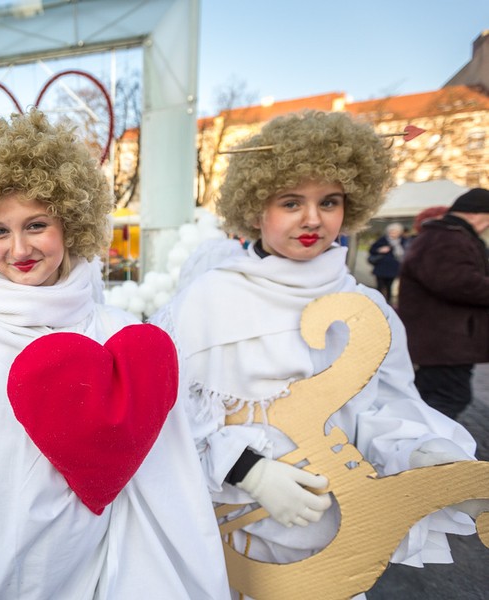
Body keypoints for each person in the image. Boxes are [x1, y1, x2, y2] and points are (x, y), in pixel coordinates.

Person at [0, 109, 230, 599]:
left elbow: (167, 482)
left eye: (36, 225)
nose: (18, 249)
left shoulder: (117, 334)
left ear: (71, 223)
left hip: (100, 577)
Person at [153, 110, 483, 597]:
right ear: (256, 209)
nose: (312, 219)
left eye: (329, 201)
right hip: (226, 545)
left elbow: (381, 409)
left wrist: (426, 457)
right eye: (291, 202)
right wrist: (246, 469)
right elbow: (166, 420)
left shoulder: (367, 308)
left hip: (332, 547)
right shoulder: (202, 303)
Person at [398, 188, 489, 419]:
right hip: (443, 341)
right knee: (448, 397)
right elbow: (457, 282)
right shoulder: (447, 238)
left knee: (434, 396)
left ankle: (418, 435)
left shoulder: (446, 236)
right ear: (475, 213)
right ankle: (425, 439)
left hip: (443, 341)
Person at [367, 221, 407, 304]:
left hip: (393, 268)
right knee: (380, 286)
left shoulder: (403, 241)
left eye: (395, 232)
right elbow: (372, 250)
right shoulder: (382, 240)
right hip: (381, 267)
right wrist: (380, 250)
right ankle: (377, 302)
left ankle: (388, 303)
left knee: (389, 286)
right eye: (391, 231)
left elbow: (406, 253)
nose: (393, 233)